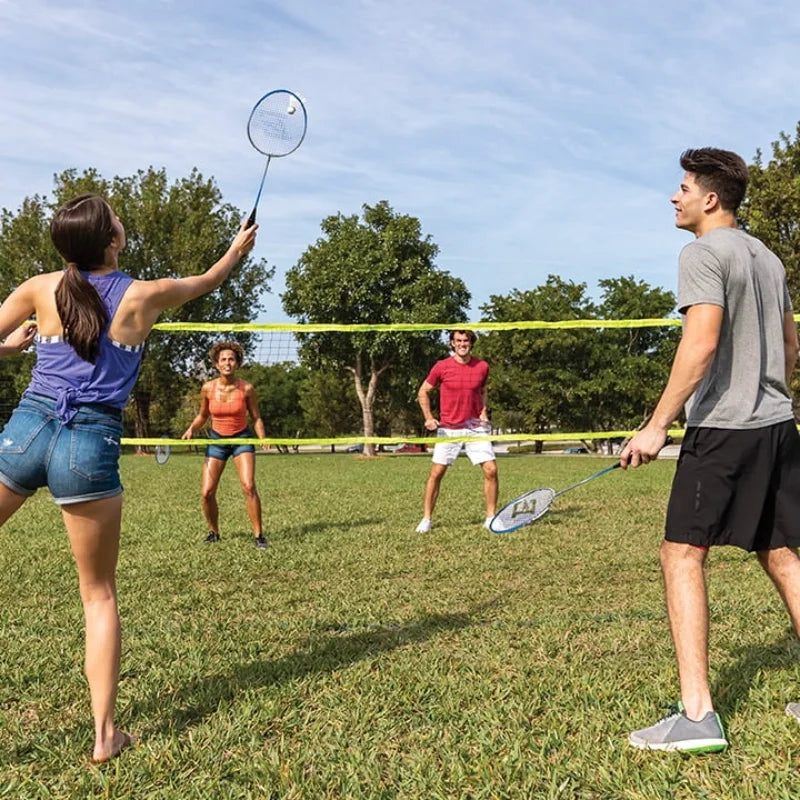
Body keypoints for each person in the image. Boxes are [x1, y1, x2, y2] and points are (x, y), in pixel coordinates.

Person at [0, 193, 256, 763]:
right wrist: (236, 250)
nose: (120, 218)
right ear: (111, 239)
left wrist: (8, 346)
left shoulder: (40, 287)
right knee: (98, 595)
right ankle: (103, 737)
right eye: (114, 215)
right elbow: (208, 280)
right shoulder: (143, 295)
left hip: (25, 432)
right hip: (87, 445)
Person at [620, 148, 800, 753]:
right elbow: (791, 347)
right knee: (781, 554)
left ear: (710, 198)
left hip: (723, 430)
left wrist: (656, 425)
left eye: (683, 188)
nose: (675, 197)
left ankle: (697, 715)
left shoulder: (701, 253)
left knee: (682, 554)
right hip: (778, 424)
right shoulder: (768, 258)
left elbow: (700, 343)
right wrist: (765, 388)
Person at [181, 341, 268, 548]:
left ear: (237, 363)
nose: (227, 363)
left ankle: (259, 536)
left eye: (231, 359)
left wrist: (263, 438)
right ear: (216, 364)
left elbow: (256, 417)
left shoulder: (247, 388)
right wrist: (191, 428)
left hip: (241, 439)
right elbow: (203, 415)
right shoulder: (208, 388)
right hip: (217, 440)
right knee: (207, 492)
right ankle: (214, 532)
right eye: (223, 360)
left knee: (248, 486)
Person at [415, 329, 498, 532]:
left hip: (474, 428)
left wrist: (483, 411)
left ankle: (491, 518)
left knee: (491, 470)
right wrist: (428, 418)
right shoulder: (441, 367)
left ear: (471, 343)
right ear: (452, 343)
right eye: (458, 340)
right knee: (437, 473)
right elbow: (423, 391)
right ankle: (426, 519)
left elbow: (483, 390)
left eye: (466, 340)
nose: (462, 344)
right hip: (449, 428)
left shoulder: (482, 366)